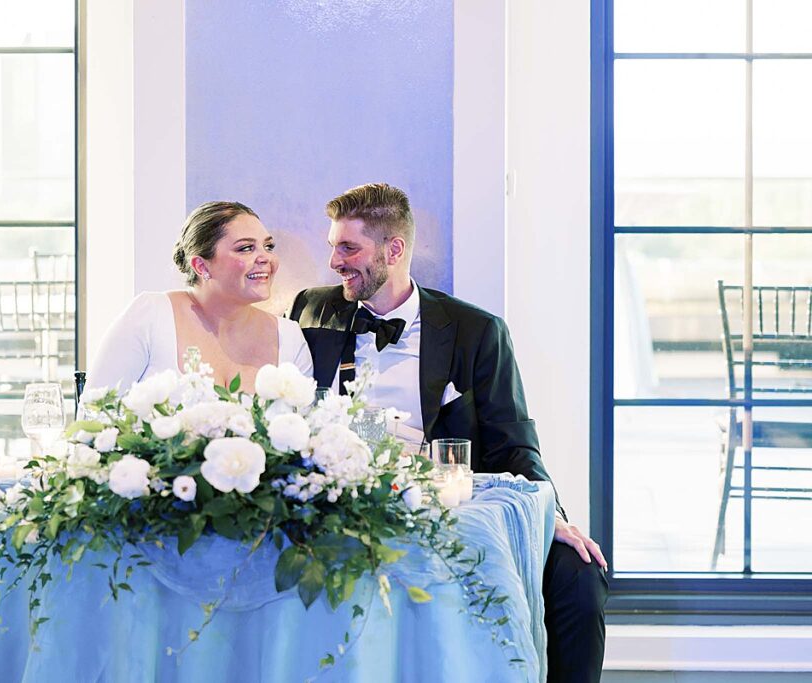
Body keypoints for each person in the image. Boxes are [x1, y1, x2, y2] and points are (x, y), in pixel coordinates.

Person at [289, 183, 608, 683]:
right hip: (338, 503)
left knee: (579, 578)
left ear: (394, 250)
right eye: (333, 245)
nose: (333, 261)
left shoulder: (476, 331)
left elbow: (514, 442)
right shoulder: (311, 309)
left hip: (446, 504)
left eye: (348, 247)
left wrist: (554, 519)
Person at [86, 201, 313, 394]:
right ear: (201, 266)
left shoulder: (290, 338)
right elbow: (93, 416)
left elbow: (306, 433)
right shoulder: (150, 316)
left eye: (268, 246)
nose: (265, 257)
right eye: (246, 248)